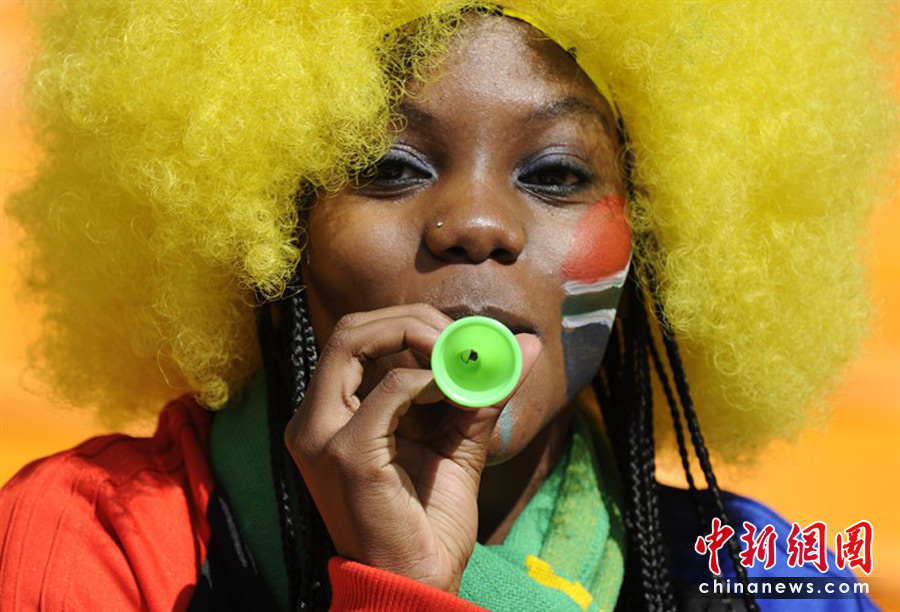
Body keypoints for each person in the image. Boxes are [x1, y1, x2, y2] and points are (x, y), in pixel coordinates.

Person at [0, 3, 894, 611]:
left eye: (556, 174)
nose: (474, 224)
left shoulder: (766, 575)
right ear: (270, 229)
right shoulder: (91, 536)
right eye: (389, 165)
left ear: (657, 242)